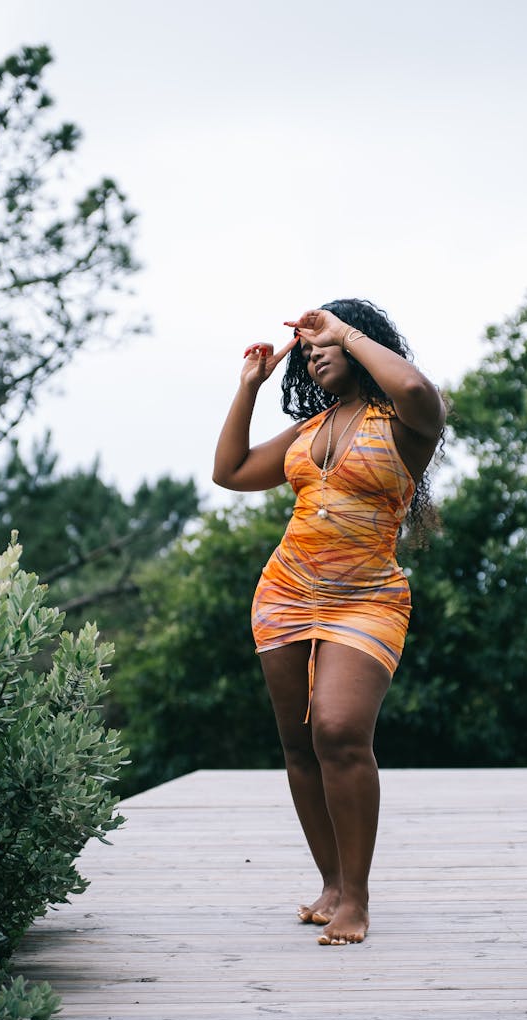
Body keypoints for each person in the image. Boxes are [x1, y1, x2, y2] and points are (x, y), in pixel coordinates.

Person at [213, 299, 445, 946]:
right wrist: (249, 388)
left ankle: (358, 897)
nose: (314, 352)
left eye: (328, 344)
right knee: (299, 745)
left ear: (360, 343)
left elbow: (419, 387)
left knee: (340, 731)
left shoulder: (405, 422)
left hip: (367, 597)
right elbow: (228, 472)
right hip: (285, 592)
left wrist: (343, 328)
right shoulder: (309, 430)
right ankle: (332, 883)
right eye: (308, 347)